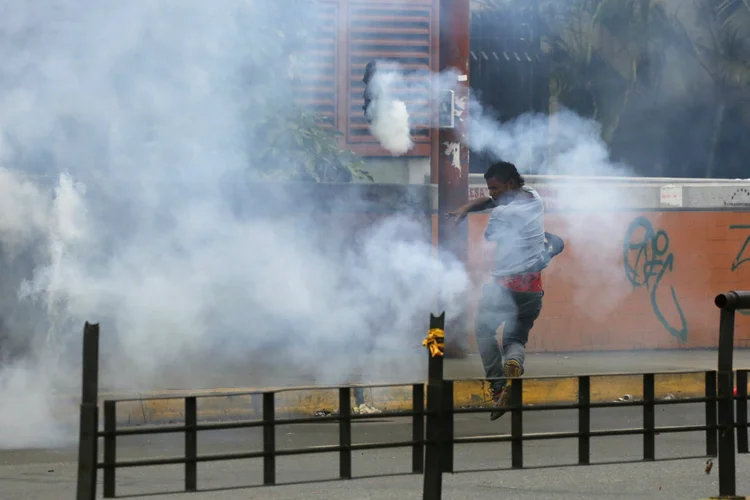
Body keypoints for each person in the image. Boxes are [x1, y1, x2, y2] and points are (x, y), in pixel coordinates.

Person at [448, 161, 563, 420]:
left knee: (484, 331)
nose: (492, 194)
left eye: (495, 188)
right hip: (532, 289)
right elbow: (495, 202)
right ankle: (514, 363)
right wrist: (468, 207)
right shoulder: (534, 197)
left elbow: (491, 235)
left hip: (504, 286)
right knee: (515, 339)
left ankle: (498, 389)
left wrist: (475, 212)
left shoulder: (503, 215)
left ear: (510, 184)